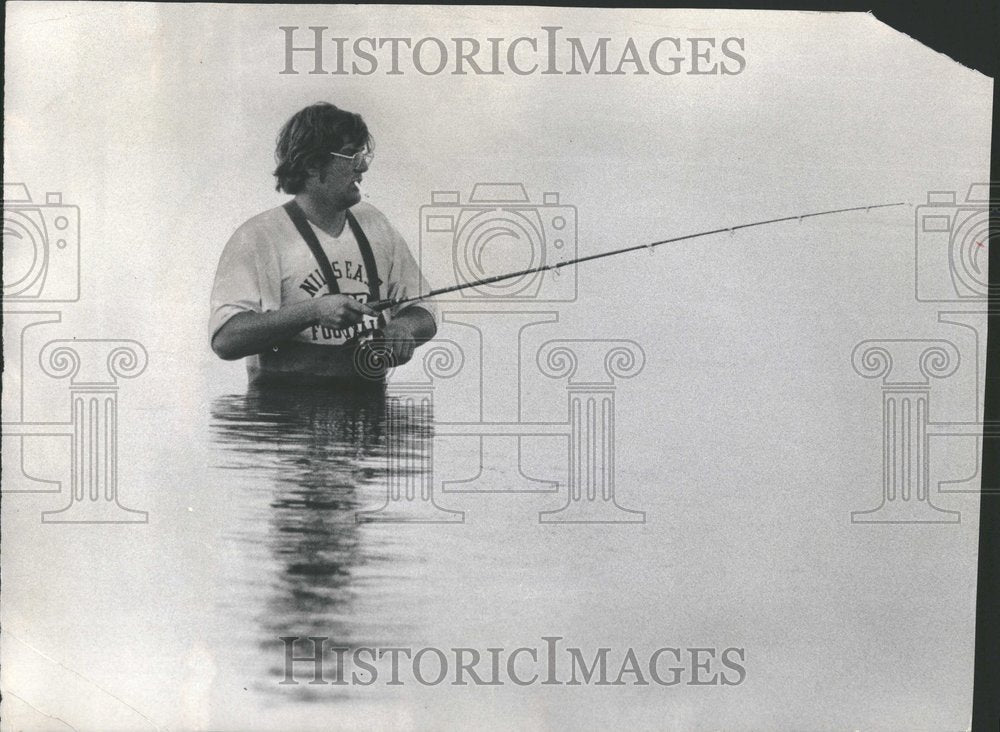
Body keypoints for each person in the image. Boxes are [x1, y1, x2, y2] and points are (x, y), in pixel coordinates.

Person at [209, 102, 437, 387]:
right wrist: (313, 311)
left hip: (368, 412)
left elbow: (424, 309)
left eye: (363, 155)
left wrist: (405, 328)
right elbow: (225, 339)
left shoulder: (376, 224)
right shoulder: (258, 236)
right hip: (285, 417)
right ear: (312, 165)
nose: (363, 166)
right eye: (351, 155)